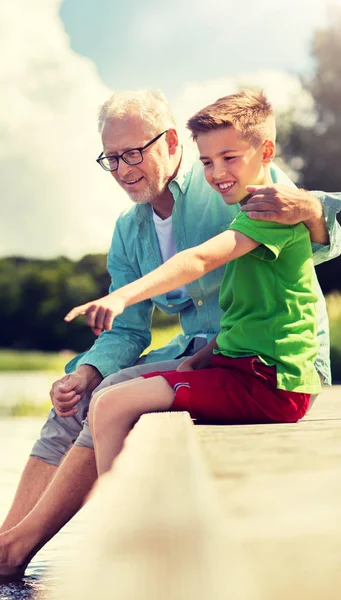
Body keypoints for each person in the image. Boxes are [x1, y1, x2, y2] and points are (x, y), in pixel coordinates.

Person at [0, 90, 341, 575]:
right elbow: (127, 332)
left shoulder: (227, 180)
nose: (122, 170)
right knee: (78, 399)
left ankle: (29, 549)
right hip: (200, 357)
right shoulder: (129, 230)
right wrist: (88, 371)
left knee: (118, 393)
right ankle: (5, 546)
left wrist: (310, 210)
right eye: (112, 159)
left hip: (264, 361)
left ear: (167, 142)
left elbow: (310, 220)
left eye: (132, 154)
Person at [65, 89, 321, 475]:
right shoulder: (240, 220)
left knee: (111, 404)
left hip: (271, 384)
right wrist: (193, 364)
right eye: (206, 162)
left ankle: (118, 525)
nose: (217, 173)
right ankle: (123, 518)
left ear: (266, 153)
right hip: (241, 368)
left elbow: (197, 260)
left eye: (229, 158)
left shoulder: (270, 212)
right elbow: (238, 321)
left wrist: (121, 297)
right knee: (110, 399)